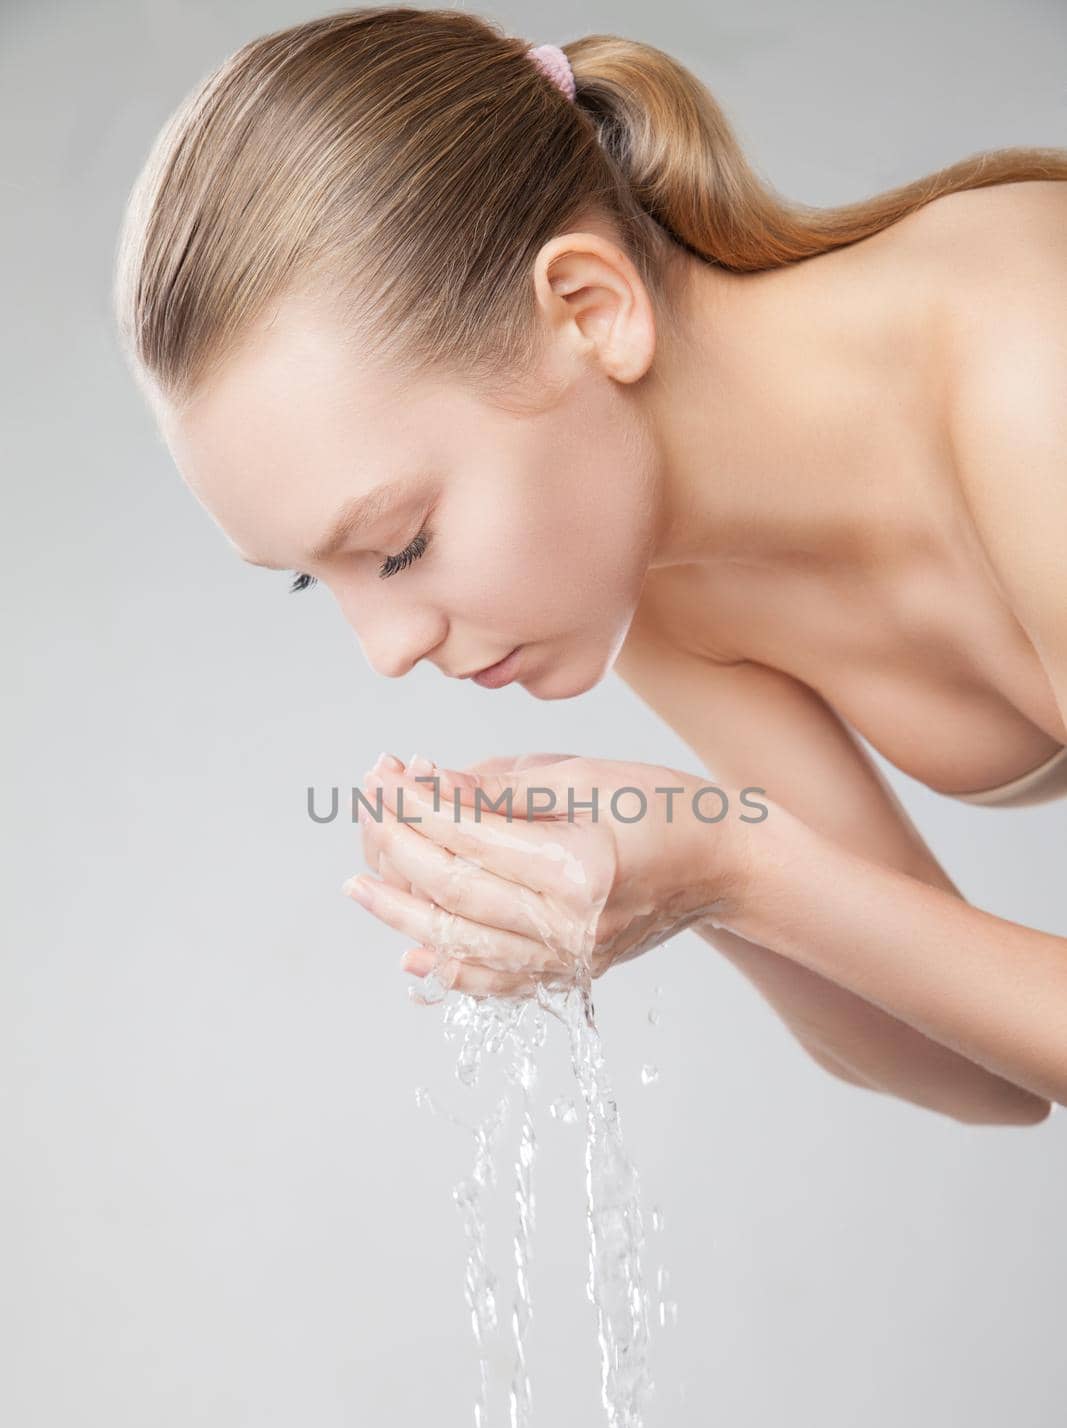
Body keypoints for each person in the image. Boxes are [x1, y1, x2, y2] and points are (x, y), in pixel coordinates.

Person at [113, 8, 1067, 1126]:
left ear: (586, 307)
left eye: (398, 545)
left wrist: (734, 864)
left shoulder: (1030, 355)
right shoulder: (648, 570)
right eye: (307, 577)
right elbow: (962, 1070)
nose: (385, 651)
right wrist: (667, 876)